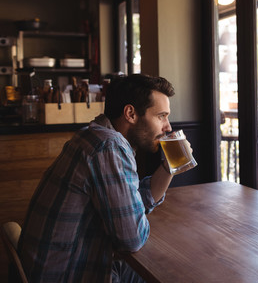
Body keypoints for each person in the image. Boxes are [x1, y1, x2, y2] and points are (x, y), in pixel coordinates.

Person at [18, 74, 183, 282]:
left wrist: (171, 167)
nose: (168, 127)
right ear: (130, 113)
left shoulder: (95, 134)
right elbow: (132, 238)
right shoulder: (109, 147)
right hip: (67, 274)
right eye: (161, 116)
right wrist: (138, 219)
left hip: (53, 266)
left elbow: (132, 206)